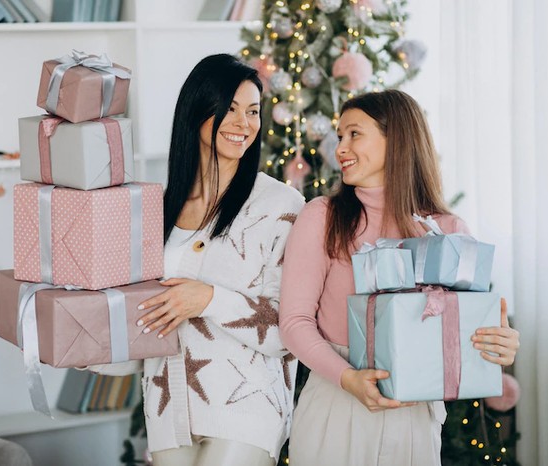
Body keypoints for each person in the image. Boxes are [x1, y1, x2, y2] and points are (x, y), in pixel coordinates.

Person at [279, 89, 520, 466]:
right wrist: (348, 378)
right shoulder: (322, 217)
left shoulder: (449, 230)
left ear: (397, 140)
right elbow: (294, 322)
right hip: (337, 404)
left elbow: (465, 331)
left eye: (354, 134)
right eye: (340, 136)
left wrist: (499, 344)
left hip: (416, 416)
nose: (340, 148)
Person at [131, 54, 305, 466]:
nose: (243, 123)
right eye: (230, 108)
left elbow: (291, 329)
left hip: (246, 411)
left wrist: (209, 299)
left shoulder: (280, 206)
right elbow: (142, 313)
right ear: (197, 109)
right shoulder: (158, 208)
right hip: (166, 410)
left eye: (253, 111)